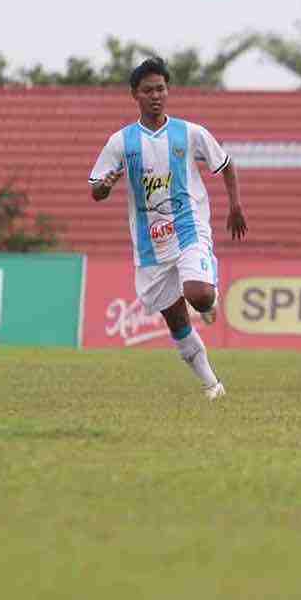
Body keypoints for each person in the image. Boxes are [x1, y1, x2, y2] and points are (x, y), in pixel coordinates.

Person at [89, 57, 247, 400]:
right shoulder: (121, 142)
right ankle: (212, 385)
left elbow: (226, 163)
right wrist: (105, 185)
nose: (156, 96)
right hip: (150, 245)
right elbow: (96, 189)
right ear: (135, 95)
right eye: (148, 90)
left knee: (199, 295)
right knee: (176, 322)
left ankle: (210, 295)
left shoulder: (189, 133)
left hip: (189, 229)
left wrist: (235, 205)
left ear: (168, 91)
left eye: (161, 89)